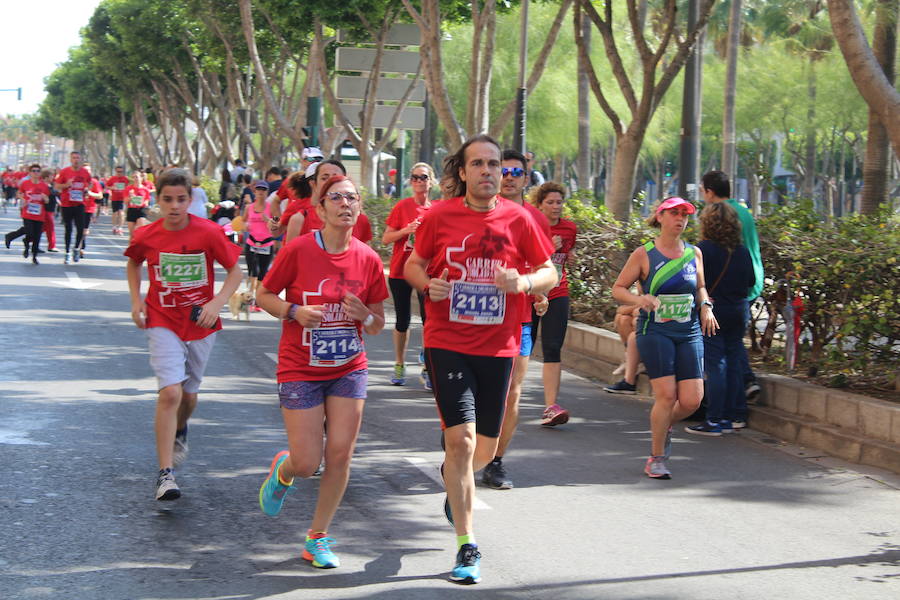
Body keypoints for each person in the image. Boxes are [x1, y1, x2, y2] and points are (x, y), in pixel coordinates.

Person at [404, 135, 556, 584]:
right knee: (463, 443)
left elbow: (550, 270)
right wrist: (426, 284)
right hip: (447, 340)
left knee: (483, 451)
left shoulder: (520, 218)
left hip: (499, 345)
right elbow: (414, 263)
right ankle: (467, 545)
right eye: (480, 164)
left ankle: (456, 480)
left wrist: (525, 283)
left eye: (499, 166)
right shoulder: (439, 216)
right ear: (463, 172)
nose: (491, 172)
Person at [255, 174, 387, 570]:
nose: (345, 204)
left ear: (359, 208)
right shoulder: (298, 251)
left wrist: (365, 315)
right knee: (309, 462)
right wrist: (294, 311)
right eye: (336, 198)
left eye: (352, 198)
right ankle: (285, 468)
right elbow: (263, 294)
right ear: (321, 208)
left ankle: (317, 537)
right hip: (300, 366)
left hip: (349, 367)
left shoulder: (368, 258)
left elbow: (379, 322)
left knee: (341, 454)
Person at [125, 168, 243, 501]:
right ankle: (166, 474)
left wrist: (218, 302)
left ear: (191, 200)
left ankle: (180, 428)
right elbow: (133, 263)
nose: (174, 206)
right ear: (157, 200)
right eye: (167, 200)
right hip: (162, 318)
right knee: (170, 394)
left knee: (189, 395)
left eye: (181, 199)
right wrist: (137, 301)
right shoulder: (147, 235)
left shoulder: (208, 232)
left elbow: (235, 270)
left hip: (200, 322)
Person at [612, 197, 718, 479]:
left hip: (689, 331)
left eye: (684, 214)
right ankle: (656, 458)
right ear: (660, 217)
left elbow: (701, 287)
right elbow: (618, 289)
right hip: (654, 331)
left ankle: (662, 424)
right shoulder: (644, 253)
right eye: (674, 213)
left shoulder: (694, 253)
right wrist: (639, 299)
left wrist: (706, 306)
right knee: (667, 395)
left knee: (693, 401)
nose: (680, 218)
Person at [481, 149, 554, 491]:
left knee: (512, 392)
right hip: (472, 320)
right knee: (474, 391)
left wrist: (538, 293)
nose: (508, 176)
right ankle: (462, 440)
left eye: (516, 171)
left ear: (526, 179)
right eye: (503, 170)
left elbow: (544, 270)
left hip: (519, 319)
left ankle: (495, 462)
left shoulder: (535, 219)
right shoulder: (473, 213)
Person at [686, 202, 755, 435]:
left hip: (712, 311)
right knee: (734, 360)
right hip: (738, 309)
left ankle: (715, 419)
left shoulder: (701, 250)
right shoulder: (742, 251)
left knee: (715, 363)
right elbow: (751, 282)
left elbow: (693, 283)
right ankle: (737, 414)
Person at [700, 170, 764, 402]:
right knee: (734, 343)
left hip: (727, 289)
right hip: (747, 282)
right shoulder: (744, 212)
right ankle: (739, 401)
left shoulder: (720, 212)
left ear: (709, 191)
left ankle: (743, 385)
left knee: (721, 352)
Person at [382, 163, 436, 386]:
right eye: (414, 177)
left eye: (423, 177)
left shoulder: (436, 209)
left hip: (427, 271)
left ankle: (428, 367)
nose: (418, 181)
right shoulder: (402, 207)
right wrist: (406, 231)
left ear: (431, 181)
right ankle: (399, 364)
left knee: (429, 320)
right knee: (402, 319)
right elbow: (386, 238)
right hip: (401, 269)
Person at [529, 182, 577, 426]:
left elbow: (566, 257)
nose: (556, 206)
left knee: (552, 347)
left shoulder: (569, 228)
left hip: (557, 291)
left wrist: (563, 255)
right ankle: (505, 396)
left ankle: (550, 406)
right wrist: (548, 249)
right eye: (550, 202)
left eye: (559, 202)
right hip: (528, 293)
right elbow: (523, 258)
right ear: (539, 205)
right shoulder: (530, 225)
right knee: (521, 347)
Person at [54, 151, 92, 264]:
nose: (76, 160)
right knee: (68, 229)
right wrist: (66, 185)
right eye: (74, 158)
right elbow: (56, 186)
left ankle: (76, 248)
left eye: (78, 158)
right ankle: (67, 253)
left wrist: (86, 189)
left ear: (80, 160)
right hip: (67, 204)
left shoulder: (85, 172)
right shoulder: (65, 172)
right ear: (71, 159)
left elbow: (90, 183)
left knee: (81, 229)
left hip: (80, 203)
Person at [243, 181, 277, 306]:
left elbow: (278, 222)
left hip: (267, 244)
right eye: (258, 189)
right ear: (255, 191)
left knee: (263, 272)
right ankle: (250, 296)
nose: (261, 192)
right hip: (251, 242)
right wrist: (245, 226)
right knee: (253, 271)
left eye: (263, 189)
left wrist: (269, 220)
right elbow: (242, 221)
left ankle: (259, 299)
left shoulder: (271, 207)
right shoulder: (249, 207)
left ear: (267, 192)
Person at [17, 164, 50, 264]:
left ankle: (34, 256)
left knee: (37, 236)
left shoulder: (44, 186)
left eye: (38, 171)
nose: (36, 173)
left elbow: (48, 200)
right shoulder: (25, 183)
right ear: (30, 173)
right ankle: (27, 244)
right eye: (33, 171)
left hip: (39, 215)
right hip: (27, 213)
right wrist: (22, 199)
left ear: (40, 173)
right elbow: (19, 193)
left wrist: (45, 198)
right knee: (29, 233)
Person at [124, 170, 151, 239]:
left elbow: (147, 201)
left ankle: (139, 248)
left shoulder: (145, 189)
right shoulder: (128, 188)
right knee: (132, 234)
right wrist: (130, 197)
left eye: (137, 177)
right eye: (133, 177)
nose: (135, 179)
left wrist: (144, 203)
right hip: (131, 210)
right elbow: (125, 201)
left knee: (140, 232)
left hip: (141, 210)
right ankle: (131, 248)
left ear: (141, 178)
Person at [107, 166, 130, 235]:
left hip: (122, 198)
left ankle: (120, 228)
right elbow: (107, 186)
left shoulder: (125, 179)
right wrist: (112, 187)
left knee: (121, 212)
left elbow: (128, 186)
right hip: (114, 198)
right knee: (115, 213)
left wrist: (126, 190)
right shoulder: (112, 178)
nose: (119, 173)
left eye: (121, 172)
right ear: (115, 171)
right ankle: (114, 227)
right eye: (118, 172)